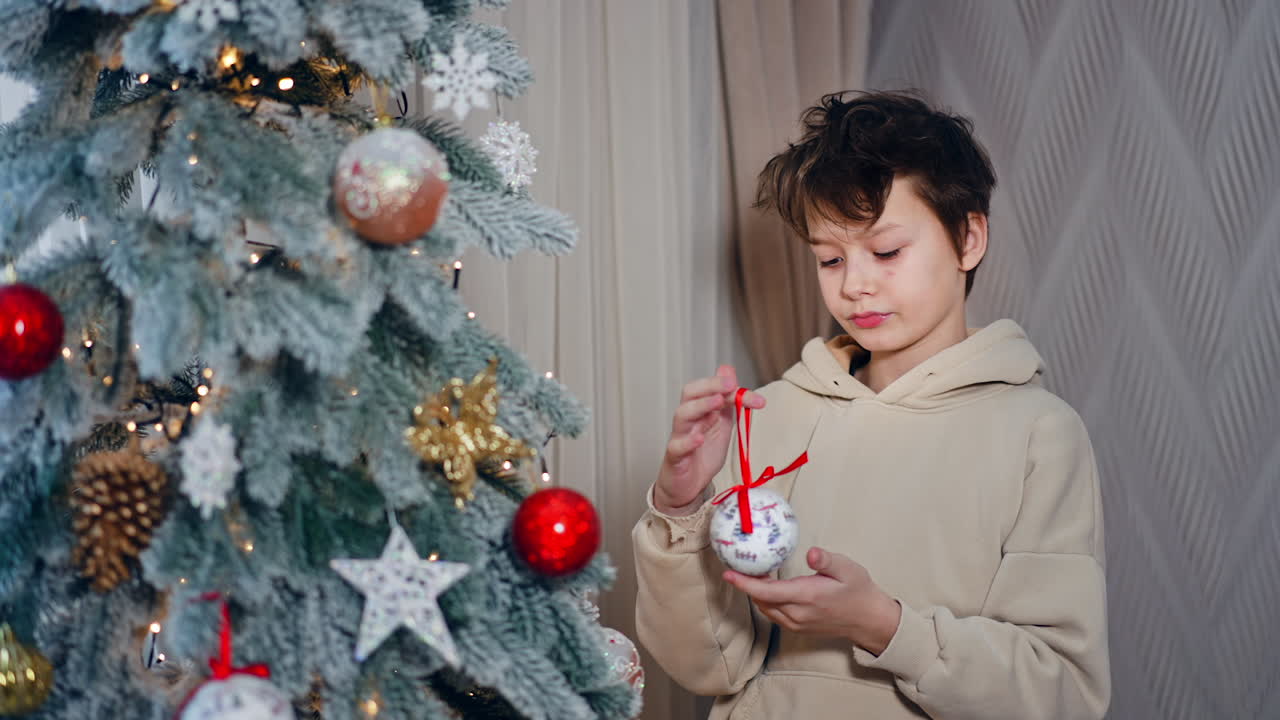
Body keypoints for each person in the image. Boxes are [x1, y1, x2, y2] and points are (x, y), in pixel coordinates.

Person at [632, 90, 1110, 719]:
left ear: (969, 238)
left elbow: (1063, 696)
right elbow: (706, 663)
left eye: (885, 252)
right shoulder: (768, 417)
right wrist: (680, 508)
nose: (854, 284)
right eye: (830, 259)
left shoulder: (1040, 435)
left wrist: (885, 627)